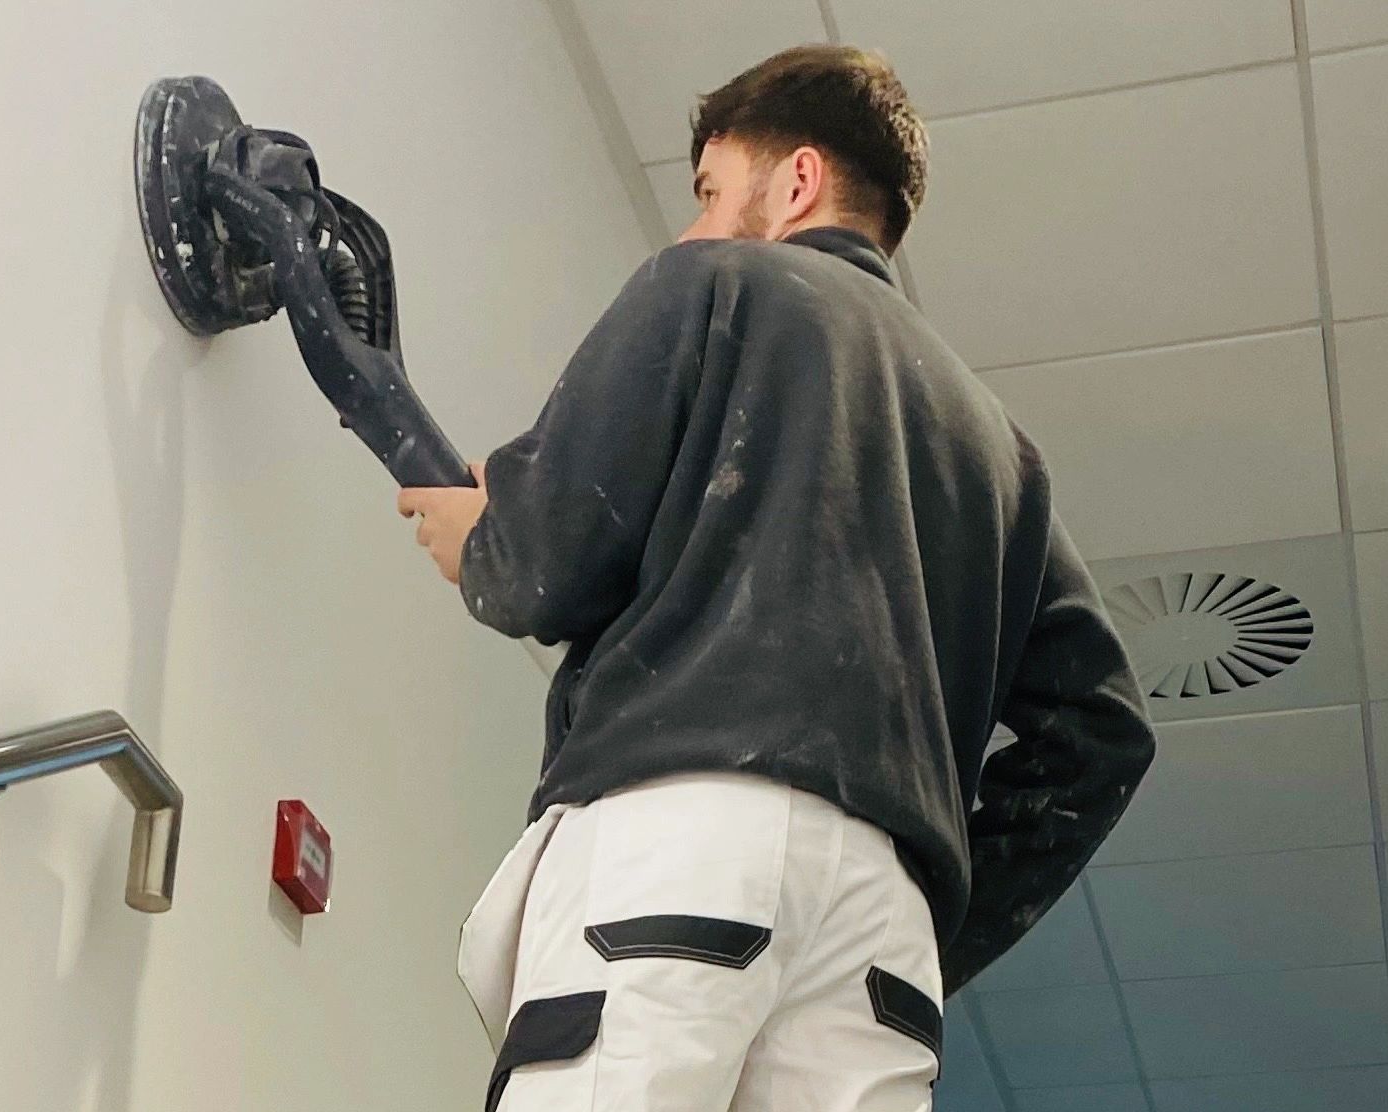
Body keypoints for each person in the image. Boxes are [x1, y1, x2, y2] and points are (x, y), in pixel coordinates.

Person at [397, 43, 1156, 1112]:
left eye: (710, 191)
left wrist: (481, 535)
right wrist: (930, 915)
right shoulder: (999, 452)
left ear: (797, 179)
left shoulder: (711, 285)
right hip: (882, 943)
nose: (694, 228)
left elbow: (538, 574)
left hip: (685, 846)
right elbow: (1103, 733)